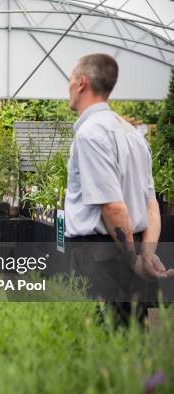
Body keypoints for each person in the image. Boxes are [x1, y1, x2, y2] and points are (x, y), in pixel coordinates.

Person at [65, 54, 173, 325]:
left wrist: (134, 260)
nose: (67, 87)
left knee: (101, 342)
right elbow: (151, 204)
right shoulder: (133, 134)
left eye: (69, 80)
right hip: (128, 249)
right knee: (128, 339)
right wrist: (145, 254)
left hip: (101, 257)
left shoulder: (91, 133)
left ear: (81, 83)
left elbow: (112, 207)